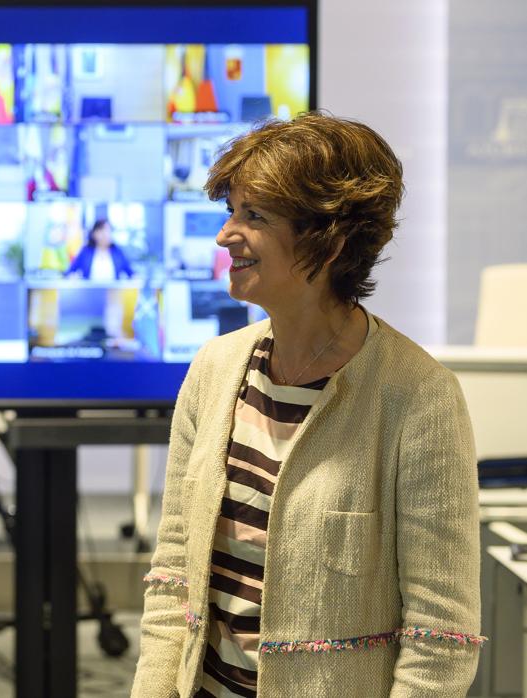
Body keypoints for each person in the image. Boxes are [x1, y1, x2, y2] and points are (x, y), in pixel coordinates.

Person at [132, 113, 482, 697]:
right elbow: (173, 578)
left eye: (255, 216)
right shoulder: (215, 369)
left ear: (330, 240)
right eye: (231, 211)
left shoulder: (419, 398)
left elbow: (440, 639)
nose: (225, 235)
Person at [66, 219, 133, 281]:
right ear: (94, 234)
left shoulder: (117, 252)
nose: (105, 234)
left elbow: (131, 273)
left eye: (108, 231)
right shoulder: (85, 252)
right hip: (89, 292)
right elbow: (71, 271)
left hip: (113, 293)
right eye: (101, 231)